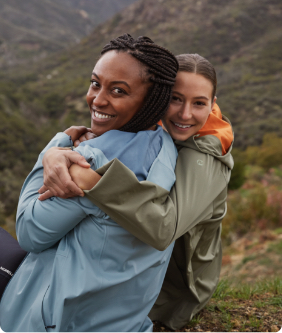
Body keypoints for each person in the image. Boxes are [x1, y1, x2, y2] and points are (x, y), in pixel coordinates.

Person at [40, 53, 234, 331]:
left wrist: (95, 181)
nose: (185, 113)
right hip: (126, 269)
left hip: (168, 293)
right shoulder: (155, 128)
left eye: (199, 103)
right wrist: (59, 149)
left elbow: (164, 229)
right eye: (175, 99)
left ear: (212, 105)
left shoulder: (208, 153)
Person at [0, 34, 180, 332]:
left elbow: (30, 231)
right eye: (96, 83)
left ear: (152, 102)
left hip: (49, 320)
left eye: (118, 91)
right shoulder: (166, 146)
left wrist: (56, 148)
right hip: (120, 321)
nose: (97, 99)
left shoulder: (91, 164)